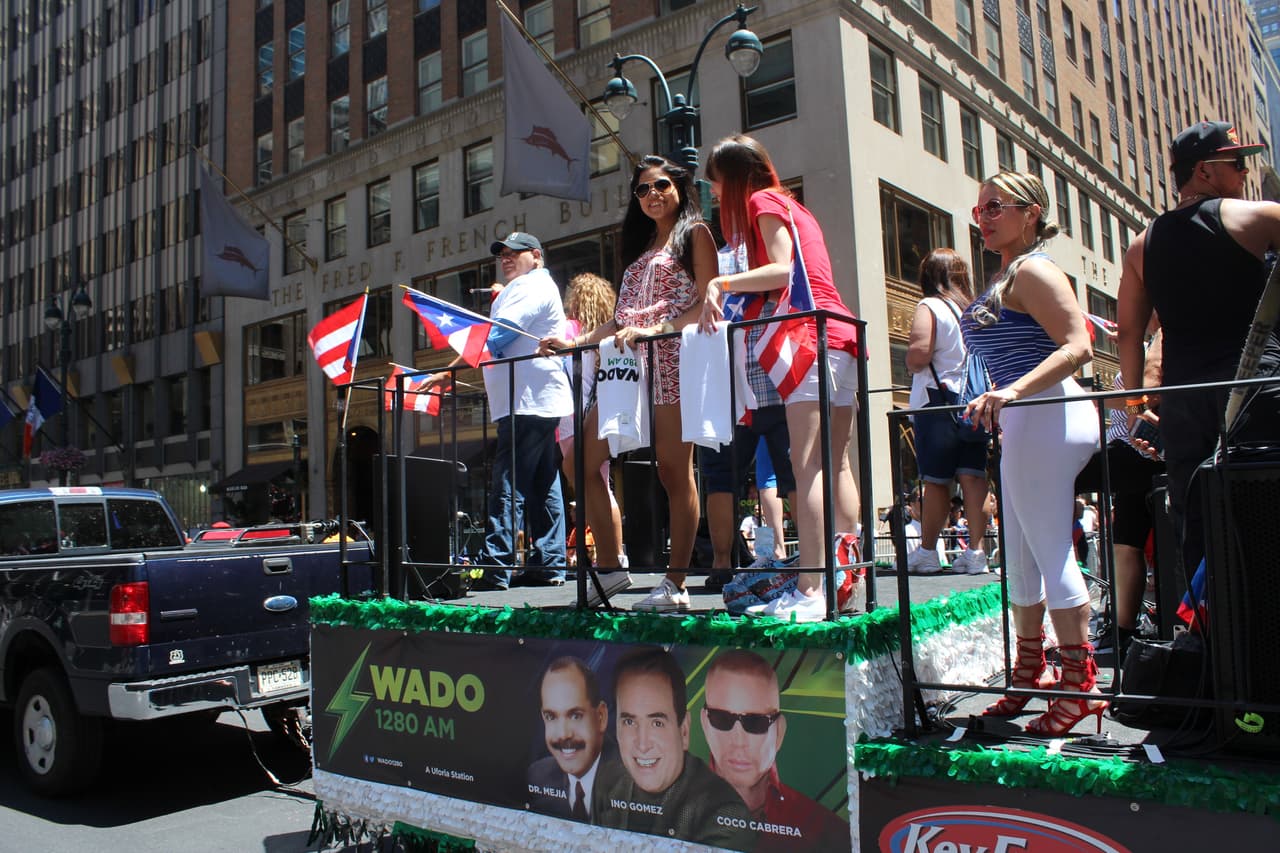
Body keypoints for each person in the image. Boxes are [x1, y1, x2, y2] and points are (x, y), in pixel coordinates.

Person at [540, 156, 716, 612]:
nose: (652, 194)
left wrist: (659, 330)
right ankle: (611, 566)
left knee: (674, 471)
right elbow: (619, 322)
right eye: (642, 190)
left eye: (660, 185)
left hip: (674, 361)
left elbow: (708, 304)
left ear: (679, 186)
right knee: (580, 459)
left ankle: (675, 583)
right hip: (626, 368)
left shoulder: (695, 235)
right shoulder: (639, 251)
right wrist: (574, 341)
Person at [701, 135, 864, 622]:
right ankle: (846, 578)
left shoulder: (760, 200)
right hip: (838, 334)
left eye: (714, 182)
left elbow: (780, 268)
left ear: (732, 178)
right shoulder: (793, 205)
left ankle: (812, 589)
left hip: (809, 337)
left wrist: (720, 281)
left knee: (809, 465)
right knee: (835, 465)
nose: (712, 193)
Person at [962, 171, 1102, 735]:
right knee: (1020, 559)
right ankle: (1032, 674)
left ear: (1032, 212)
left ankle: (1081, 685)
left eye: (996, 206)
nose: (985, 218)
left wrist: (1014, 390)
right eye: (980, 210)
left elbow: (1079, 345)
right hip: (1025, 420)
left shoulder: (1035, 269)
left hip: (1047, 413)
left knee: (1048, 551)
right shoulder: (1007, 275)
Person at [1118, 120, 1280, 586]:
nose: (1245, 173)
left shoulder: (1141, 245)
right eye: (1237, 163)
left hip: (1186, 404)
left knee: (1198, 523)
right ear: (1206, 171)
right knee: (1264, 512)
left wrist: (1134, 406)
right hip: (1256, 392)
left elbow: (1129, 333)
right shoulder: (1257, 218)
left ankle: (1211, 644)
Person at [428, 232, 572, 590]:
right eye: (502, 254)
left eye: (515, 253)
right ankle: (548, 562)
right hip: (532, 397)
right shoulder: (530, 287)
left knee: (509, 483)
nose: (506, 259)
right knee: (542, 481)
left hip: (525, 399)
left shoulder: (529, 287)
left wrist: (449, 371)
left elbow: (495, 337)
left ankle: (497, 565)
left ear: (536, 256)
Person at [595, 649, 754, 849]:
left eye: (657, 723)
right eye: (629, 721)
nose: (642, 744)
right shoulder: (606, 782)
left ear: (684, 730)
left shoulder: (724, 814)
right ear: (616, 727)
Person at [700, 650, 849, 851]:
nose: (738, 741)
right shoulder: (673, 812)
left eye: (755, 722)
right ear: (705, 724)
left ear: (779, 732)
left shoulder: (828, 832)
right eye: (722, 719)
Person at [904, 248, 990, 575]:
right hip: (975, 404)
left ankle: (927, 552)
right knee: (973, 476)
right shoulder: (973, 311)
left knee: (936, 481)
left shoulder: (930, 306)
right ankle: (977, 554)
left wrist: (911, 359)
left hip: (937, 403)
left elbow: (918, 357)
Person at [558, 273, 628, 603]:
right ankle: (614, 559)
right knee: (600, 484)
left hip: (574, 417)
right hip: (597, 409)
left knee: (587, 481)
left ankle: (611, 563)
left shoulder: (571, 330)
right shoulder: (602, 332)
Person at [526, 657, 619, 823]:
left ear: (601, 717)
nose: (563, 734)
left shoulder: (635, 780)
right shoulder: (538, 776)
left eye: (575, 716)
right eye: (551, 716)